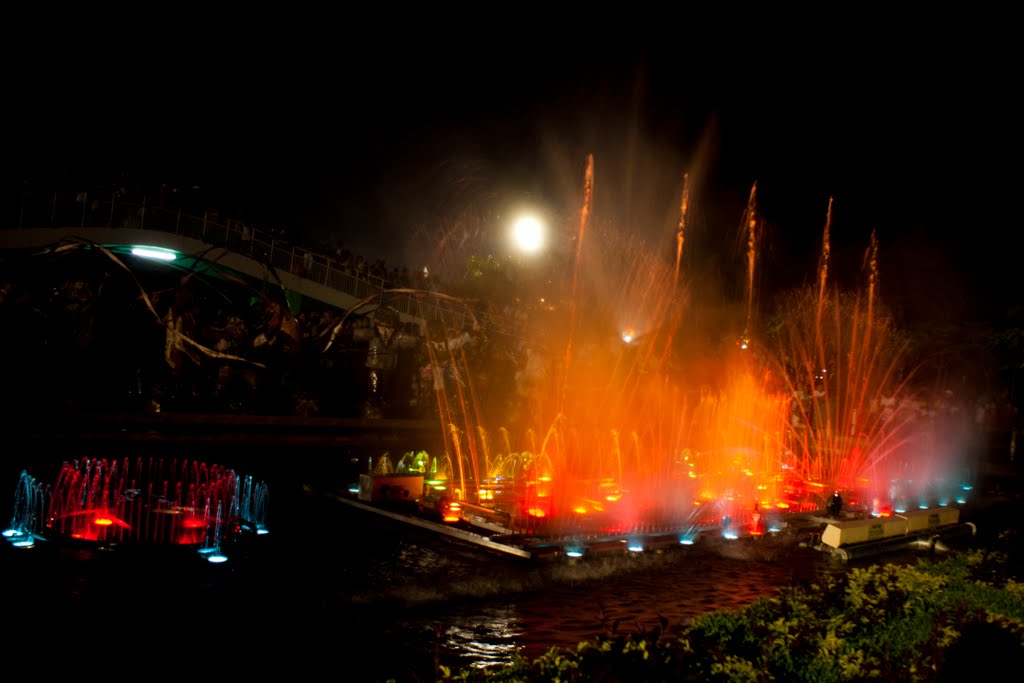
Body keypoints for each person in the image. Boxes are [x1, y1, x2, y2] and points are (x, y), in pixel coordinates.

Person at [352, 305, 417, 418]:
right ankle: (372, 408)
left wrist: (416, 337)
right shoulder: (373, 332)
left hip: (388, 367)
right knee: (373, 387)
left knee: (385, 390)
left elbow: (412, 341)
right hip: (374, 365)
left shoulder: (398, 335)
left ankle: (381, 409)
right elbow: (356, 334)